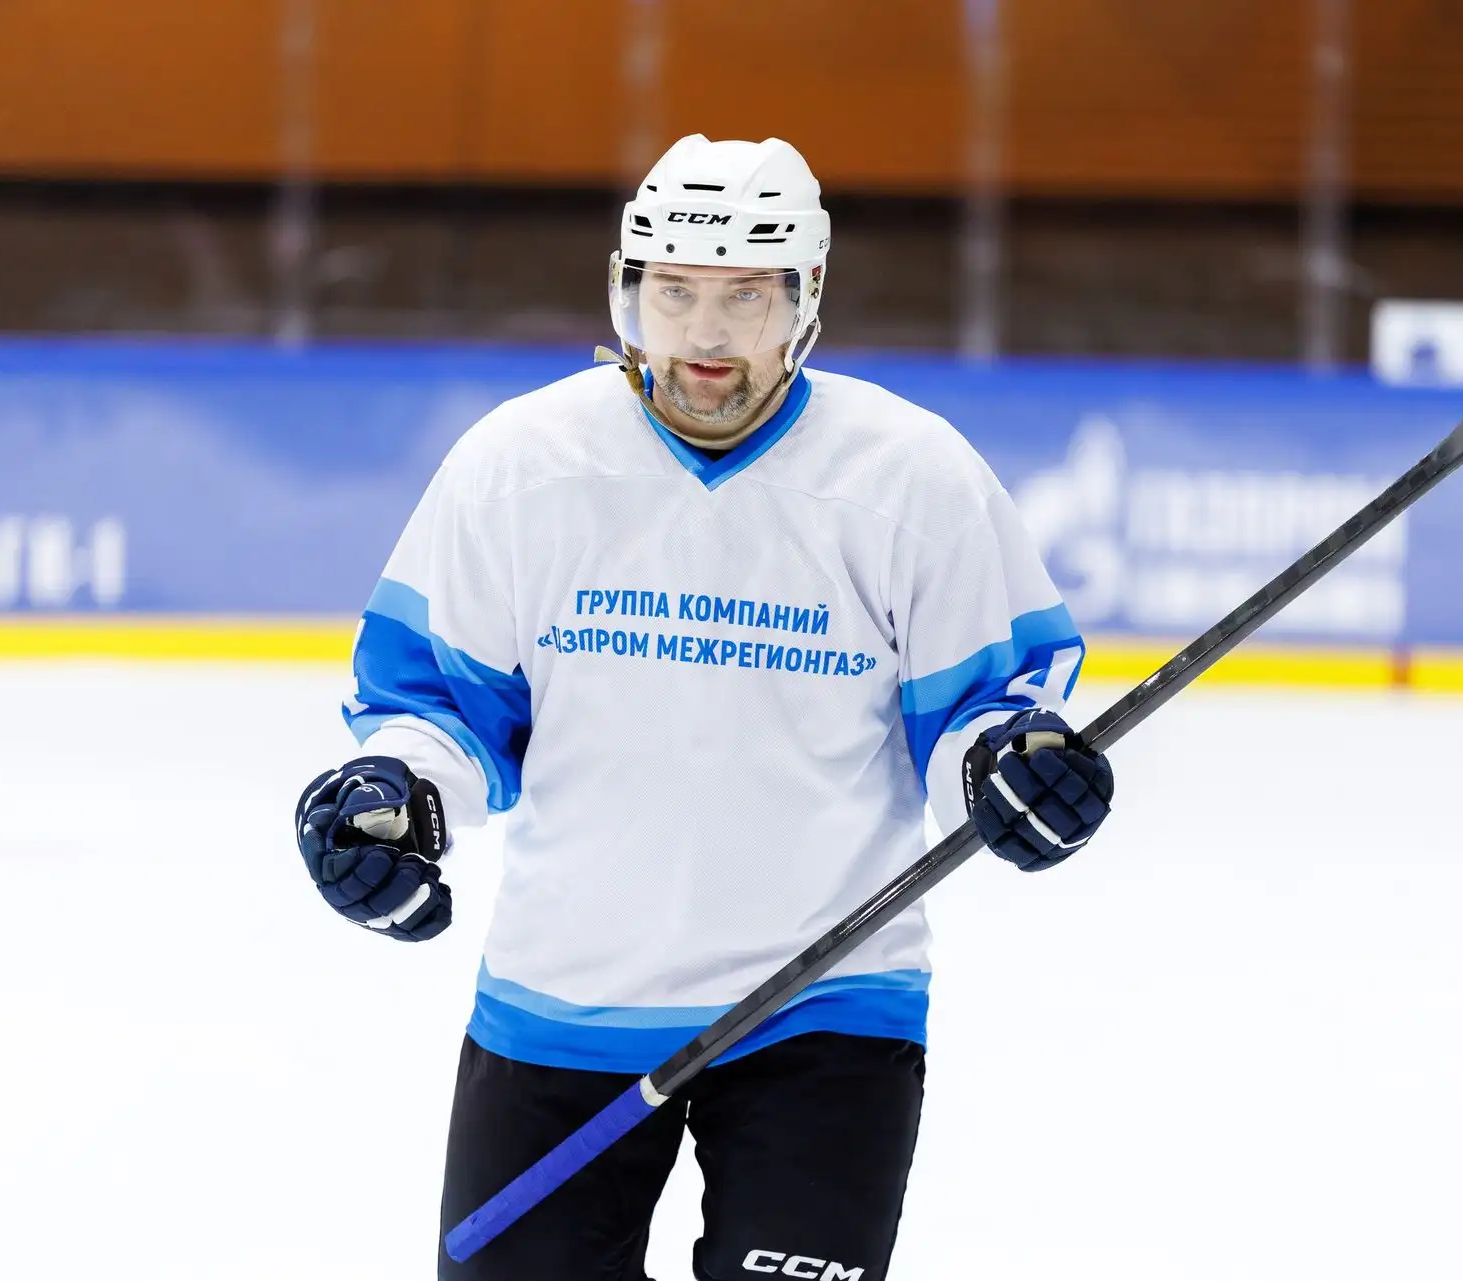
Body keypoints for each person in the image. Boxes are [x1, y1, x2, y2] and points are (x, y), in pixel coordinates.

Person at [293, 134, 1115, 1281]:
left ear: (805, 297)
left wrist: (1010, 766)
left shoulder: (911, 478)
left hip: (824, 1011)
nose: (707, 334)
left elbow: (983, 709)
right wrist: (390, 794)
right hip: (564, 999)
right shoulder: (521, 467)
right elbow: (436, 705)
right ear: (627, 291)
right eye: (674, 291)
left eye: (746, 295)